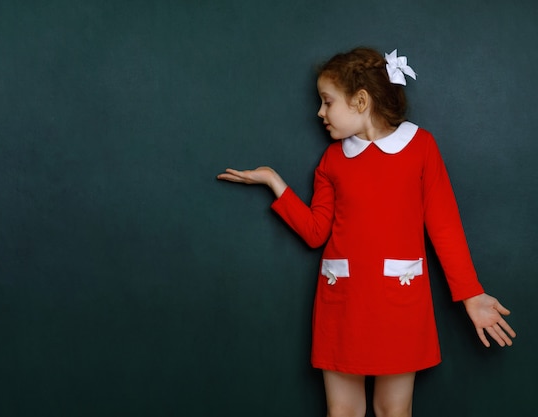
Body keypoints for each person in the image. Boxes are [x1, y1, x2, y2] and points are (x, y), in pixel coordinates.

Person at [217, 47, 516, 417]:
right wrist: (273, 181)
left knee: (394, 410)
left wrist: (471, 296)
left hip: (399, 305)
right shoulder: (331, 160)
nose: (320, 113)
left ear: (360, 101)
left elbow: (445, 225)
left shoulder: (421, 147)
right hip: (342, 305)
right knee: (342, 411)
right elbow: (314, 233)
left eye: (327, 102)